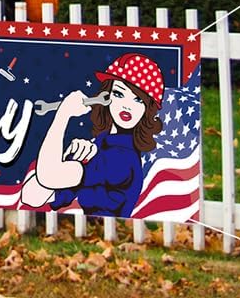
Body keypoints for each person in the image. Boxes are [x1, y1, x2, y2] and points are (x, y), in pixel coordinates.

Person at [18, 52, 164, 218]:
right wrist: (72, 159)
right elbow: (31, 196)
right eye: (118, 94)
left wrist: (62, 116)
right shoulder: (102, 144)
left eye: (138, 100)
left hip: (109, 233)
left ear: (148, 109)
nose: (127, 106)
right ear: (106, 96)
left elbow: (48, 176)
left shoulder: (122, 158)